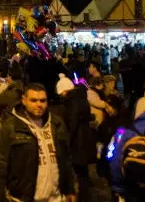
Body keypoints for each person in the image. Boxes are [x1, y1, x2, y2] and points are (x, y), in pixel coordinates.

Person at [0, 83, 76, 202]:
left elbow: (65, 159)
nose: (39, 104)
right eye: (33, 100)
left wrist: (70, 189)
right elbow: (0, 165)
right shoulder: (11, 127)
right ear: (24, 101)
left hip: (56, 197)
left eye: (42, 100)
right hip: (25, 197)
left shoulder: (56, 123)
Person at [57, 74, 94, 202]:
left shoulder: (73, 102)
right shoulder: (81, 98)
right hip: (84, 138)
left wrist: (66, 141)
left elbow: (72, 123)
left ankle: (82, 196)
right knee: (83, 171)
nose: (61, 96)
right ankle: (84, 195)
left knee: (77, 170)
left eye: (61, 92)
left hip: (78, 141)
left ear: (65, 90)